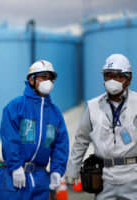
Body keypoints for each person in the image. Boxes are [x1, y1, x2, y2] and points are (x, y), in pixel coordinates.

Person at [0, 60, 69, 200]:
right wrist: (15, 166)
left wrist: (57, 170)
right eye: (43, 77)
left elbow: (61, 144)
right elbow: (10, 138)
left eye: (51, 78)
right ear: (31, 80)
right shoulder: (16, 106)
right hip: (14, 176)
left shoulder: (55, 113)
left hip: (40, 179)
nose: (48, 82)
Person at [68, 53, 137, 200]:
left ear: (128, 78)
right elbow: (81, 140)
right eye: (108, 75)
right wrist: (72, 170)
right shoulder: (93, 106)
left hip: (133, 176)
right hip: (104, 179)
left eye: (118, 76)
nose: (112, 80)